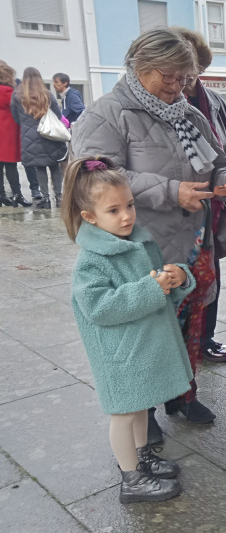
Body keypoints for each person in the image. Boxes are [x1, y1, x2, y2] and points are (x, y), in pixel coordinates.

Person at [72, 27, 226, 431]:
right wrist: (170, 191)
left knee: (189, 322)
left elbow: (217, 157)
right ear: (138, 66)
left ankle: (181, 396)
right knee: (148, 331)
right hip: (139, 242)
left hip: (192, 235)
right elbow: (97, 179)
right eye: (166, 76)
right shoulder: (107, 114)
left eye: (183, 77)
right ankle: (142, 416)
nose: (175, 86)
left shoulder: (187, 111)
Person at [63, 156, 191, 504]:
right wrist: (152, 288)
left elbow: (157, 285)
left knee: (139, 407)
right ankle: (130, 478)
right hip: (120, 353)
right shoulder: (93, 260)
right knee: (124, 414)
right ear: (89, 217)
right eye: (114, 210)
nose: (126, 216)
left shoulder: (137, 241)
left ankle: (142, 457)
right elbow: (99, 307)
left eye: (130, 205)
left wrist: (177, 276)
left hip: (141, 346)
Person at [174, 27, 226, 365]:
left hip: (214, 211)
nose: (185, 75)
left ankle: (205, 339)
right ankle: (179, 346)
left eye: (192, 66)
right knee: (179, 280)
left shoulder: (215, 101)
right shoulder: (164, 103)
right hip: (177, 212)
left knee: (211, 275)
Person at [11, 67, 67, 209]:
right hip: (49, 134)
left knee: (40, 167)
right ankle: (59, 197)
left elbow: (15, 117)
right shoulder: (47, 94)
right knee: (54, 165)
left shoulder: (17, 95)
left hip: (29, 137)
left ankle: (45, 197)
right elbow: (58, 115)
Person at [0, 61, 30, 207]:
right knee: (10, 165)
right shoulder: (8, 91)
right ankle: (17, 194)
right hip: (7, 132)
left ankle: (1, 195)